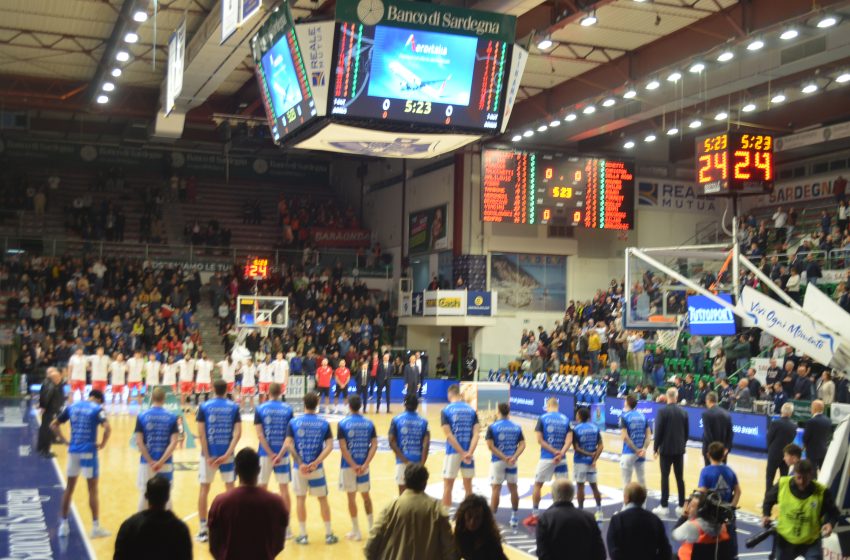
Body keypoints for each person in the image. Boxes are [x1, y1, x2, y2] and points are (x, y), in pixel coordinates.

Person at [51, 389, 111, 538]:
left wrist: (64, 441)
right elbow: (108, 428)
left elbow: (54, 425)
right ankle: (95, 527)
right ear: (98, 399)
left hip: (73, 450)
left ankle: (63, 526)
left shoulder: (72, 406)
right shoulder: (98, 409)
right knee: (92, 489)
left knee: (69, 488)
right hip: (89, 452)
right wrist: (103, 443)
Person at [208, 448, 289, 560]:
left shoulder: (220, 502)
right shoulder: (276, 503)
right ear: (259, 470)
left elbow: (214, 544)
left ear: (235, 471)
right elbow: (279, 543)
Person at [364, 463, 456, 560]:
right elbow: (449, 548)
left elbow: (371, 543)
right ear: (425, 483)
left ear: (405, 481)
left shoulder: (391, 507)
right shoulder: (437, 509)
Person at [285, 391, 338, 545]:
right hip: (317, 469)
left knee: (300, 499)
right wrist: (316, 462)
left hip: (298, 468)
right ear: (317, 404)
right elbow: (329, 446)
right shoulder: (323, 423)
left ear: (304, 403)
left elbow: (288, 444)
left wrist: (301, 462)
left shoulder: (294, 422)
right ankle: (328, 534)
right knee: (322, 499)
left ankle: (303, 535)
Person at [762, 459, 840, 560]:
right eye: (799, 477)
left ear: (811, 475)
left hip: (810, 542)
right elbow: (768, 500)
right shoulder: (782, 484)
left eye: (805, 478)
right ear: (794, 473)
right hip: (785, 540)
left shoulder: (822, 491)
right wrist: (766, 514)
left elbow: (834, 513)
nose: (802, 481)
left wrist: (830, 524)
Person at [195, 379, 242, 543]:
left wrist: (208, 456)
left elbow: (201, 434)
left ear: (213, 389)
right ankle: (232, 527)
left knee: (204, 490)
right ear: (227, 389)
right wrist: (227, 454)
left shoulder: (204, 406)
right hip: (227, 455)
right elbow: (238, 433)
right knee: (230, 491)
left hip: (208, 456)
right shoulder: (234, 407)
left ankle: (203, 529)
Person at [114, 476, 192, 560]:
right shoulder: (180, 529)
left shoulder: (129, 526)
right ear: (168, 497)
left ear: (146, 496)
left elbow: (119, 556)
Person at [524, 396, 571, 526]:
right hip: (562, 459)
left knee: (538, 485)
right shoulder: (565, 419)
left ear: (548, 406)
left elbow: (540, 440)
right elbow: (569, 440)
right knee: (562, 488)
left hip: (546, 458)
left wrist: (553, 451)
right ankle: (562, 515)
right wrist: (560, 453)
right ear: (557, 406)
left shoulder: (543, 418)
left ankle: (535, 514)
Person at [254, 382, 294, 531]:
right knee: (284, 489)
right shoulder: (288, 409)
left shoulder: (260, 408)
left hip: (265, 454)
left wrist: (270, 453)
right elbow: (290, 436)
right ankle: (286, 526)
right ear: (281, 392)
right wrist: (281, 453)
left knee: (261, 488)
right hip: (283, 455)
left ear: (267, 392)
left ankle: (261, 522)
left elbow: (260, 434)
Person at [337, 394, 377, 541]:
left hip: (348, 466)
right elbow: (374, 445)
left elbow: (343, 447)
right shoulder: (369, 423)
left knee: (351, 498)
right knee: (366, 497)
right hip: (364, 466)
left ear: (349, 406)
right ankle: (372, 529)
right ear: (360, 406)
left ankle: (356, 531)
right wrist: (365, 464)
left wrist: (353, 465)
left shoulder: (342, 423)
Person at [536, 479, 605, 560]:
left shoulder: (545, 519)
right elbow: (600, 552)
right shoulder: (589, 518)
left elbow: (542, 553)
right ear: (572, 495)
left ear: (553, 495)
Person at [134, 388, 179, 511]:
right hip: (166, 463)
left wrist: (150, 461)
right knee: (166, 496)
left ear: (151, 399)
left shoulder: (142, 416)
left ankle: (141, 526)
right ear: (164, 399)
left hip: (146, 463)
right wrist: (161, 461)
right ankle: (167, 527)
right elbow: (174, 442)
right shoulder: (172, 417)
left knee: (144, 494)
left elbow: (139, 441)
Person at [606, 483, 672, 560]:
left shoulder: (617, 520)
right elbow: (666, 551)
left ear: (626, 498)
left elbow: (613, 552)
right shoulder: (655, 520)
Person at [486, 402, 526, 527]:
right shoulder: (516, 426)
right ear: (508, 412)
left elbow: (490, 446)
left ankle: (492, 519)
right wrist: (513, 457)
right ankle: (514, 517)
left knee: (496, 489)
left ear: (498, 411)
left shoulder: (492, 427)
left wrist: (504, 458)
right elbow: (523, 444)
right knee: (513, 488)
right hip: (512, 463)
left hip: (498, 462)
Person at [440, 384, 481, 508]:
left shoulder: (446, 410)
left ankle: (445, 517)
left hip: (453, 452)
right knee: (468, 486)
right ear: (460, 394)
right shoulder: (472, 411)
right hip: (469, 454)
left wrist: (462, 453)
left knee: (448, 485)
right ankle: (469, 517)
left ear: (449, 395)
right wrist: (469, 453)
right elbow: (476, 434)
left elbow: (449, 435)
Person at [698, 442, 742, 551]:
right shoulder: (730, 471)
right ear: (724, 455)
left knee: (709, 544)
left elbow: (702, 492)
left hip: (711, 515)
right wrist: (731, 507)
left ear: (708, 455)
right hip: (726, 514)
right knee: (730, 541)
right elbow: (738, 491)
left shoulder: (705, 471)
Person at [653, 387, 689, 517]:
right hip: (679, 450)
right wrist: (682, 445)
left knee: (665, 477)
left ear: (667, 397)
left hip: (666, 450)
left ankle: (664, 506)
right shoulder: (684, 412)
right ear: (677, 397)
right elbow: (686, 433)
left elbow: (658, 432)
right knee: (680, 478)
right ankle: (681, 506)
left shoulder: (662, 412)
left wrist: (655, 448)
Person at [671, 491, 734, 560]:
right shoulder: (722, 526)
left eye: (692, 506)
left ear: (700, 510)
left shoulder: (693, 526)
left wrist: (684, 516)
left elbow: (674, 535)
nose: (688, 508)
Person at [389, 394, 430, 494]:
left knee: (402, 494)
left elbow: (391, 442)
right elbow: (426, 444)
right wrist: (422, 464)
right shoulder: (424, 422)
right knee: (418, 494)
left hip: (402, 462)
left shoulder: (396, 420)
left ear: (404, 404)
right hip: (418, 462)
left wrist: (404, 460)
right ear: (417, 406)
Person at [572, 406, 604, 520]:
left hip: (580, 461)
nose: (576, 416)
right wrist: (594, 458)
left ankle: (580, 511)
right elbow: (601, 446)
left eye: (577, 414)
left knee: (580, 487)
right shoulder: (595, 428)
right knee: (594, 487)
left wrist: (588, 454)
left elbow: (576, 448)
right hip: (591, 463)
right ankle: (599, 511)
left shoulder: (575, 429)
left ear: (579, 416)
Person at [454, 494, 508, 560]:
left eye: (477, 517)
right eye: (469, 516)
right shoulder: (460, 529)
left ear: (483, 519)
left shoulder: (490, 539)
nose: (472, 522)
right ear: (463, 515)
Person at [620, 393, 651, 488]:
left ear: (627, 403)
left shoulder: (624, 417)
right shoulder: (643, 416)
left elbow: (624, 437)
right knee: (641, 480)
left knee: (626, 482)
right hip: (641, 453)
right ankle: (644, 502)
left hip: (629, 452)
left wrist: (636, 450)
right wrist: (644, 449)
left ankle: (626, 503)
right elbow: (649, 435)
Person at [766, 402, 797, 495]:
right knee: (784, 478)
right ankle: (782, 497)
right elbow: (791, 440)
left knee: (770, 477)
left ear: (781, 410)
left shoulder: (775, 423)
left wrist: (770, 449)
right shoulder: (794, 425)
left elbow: (769, 438)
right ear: (791, 413)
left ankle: (768, 499)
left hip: (774, 454)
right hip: (787, 455)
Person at [37, 366, 64, 458]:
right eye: (59, 378)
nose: (60, 379)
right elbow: (46, 397)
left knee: (45, 429)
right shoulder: (52, 387)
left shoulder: (49, 384)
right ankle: (45, 451)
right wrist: (43, 407)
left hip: (49, 411)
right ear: (54, 378)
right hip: (50, 411)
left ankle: (41, 448)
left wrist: (42, 406)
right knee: (47, 431)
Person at [701, 391, 733, 466]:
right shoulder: (727, 414)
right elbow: (730, 433)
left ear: (708, 400)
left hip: (710, 450)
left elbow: (707, 433)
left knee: (710, 473)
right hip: (723, 450)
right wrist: (727, 448)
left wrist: (713, 449)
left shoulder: (706, 414)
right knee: (721, 474)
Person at [802, 399, 832, 469]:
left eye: (811, 407)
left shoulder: (811, 421)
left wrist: (803, 445)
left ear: (814, 408)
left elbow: (806, 437)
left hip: (812, 452)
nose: (811, 409)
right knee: (823, 472)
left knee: (812, 474)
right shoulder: (828, 421)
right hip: (823, 451)